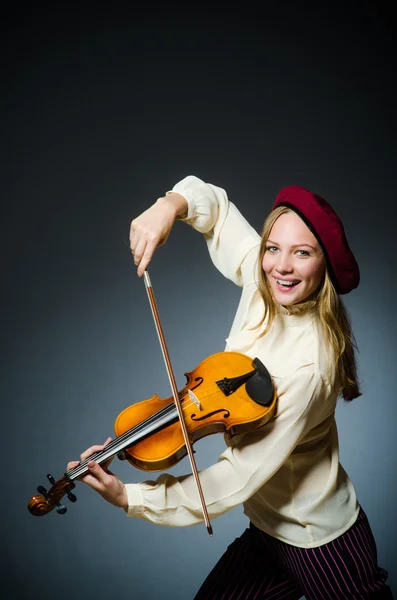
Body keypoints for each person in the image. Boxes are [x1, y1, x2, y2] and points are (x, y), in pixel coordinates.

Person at [68, 175, 393, 599]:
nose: (282, 266)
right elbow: (217, 212)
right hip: (267, 526)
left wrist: (131, 497)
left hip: (320, 537)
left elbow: (238, 477)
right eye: (273, 248)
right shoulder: (267, 285)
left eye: (303, 253)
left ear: (324, 264)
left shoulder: (312, 365)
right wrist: (169, 205)